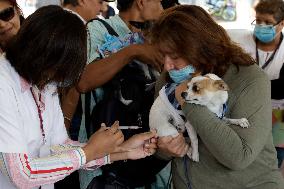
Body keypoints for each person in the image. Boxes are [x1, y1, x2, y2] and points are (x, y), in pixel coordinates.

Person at [0, 5, 158, 189]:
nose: (56, 81)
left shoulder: (44, 83)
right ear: (41, 56)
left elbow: (58, 148)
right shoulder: (4, 85)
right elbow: (21, 174)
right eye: (57, 70)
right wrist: (88, 151)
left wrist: (121, 151)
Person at [151, 5, 284, 189]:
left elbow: (239, 157)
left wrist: (187, 100)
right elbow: (159, 138)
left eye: (174, 56)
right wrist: (163, 150)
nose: (167, 66)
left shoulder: (249, 79)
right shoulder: (168, 82)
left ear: (201, 48)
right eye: (162, 55)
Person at [66, 0, 166, 188]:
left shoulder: (160, 35)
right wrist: (132, 51)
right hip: (102, 152)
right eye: (159, 1)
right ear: (141, 2)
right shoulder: (99, 29)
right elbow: (83, 81)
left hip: (149, 149)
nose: (162, 7)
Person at [227, 0, 284, 169]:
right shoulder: (238, 43)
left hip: (277, 117)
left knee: (270, 163)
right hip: (241, 114)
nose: (261, 26)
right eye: (258, 20)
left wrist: (246, 86)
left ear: (281, 24)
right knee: (241, 160)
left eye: (267, 22)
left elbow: (282, 90)